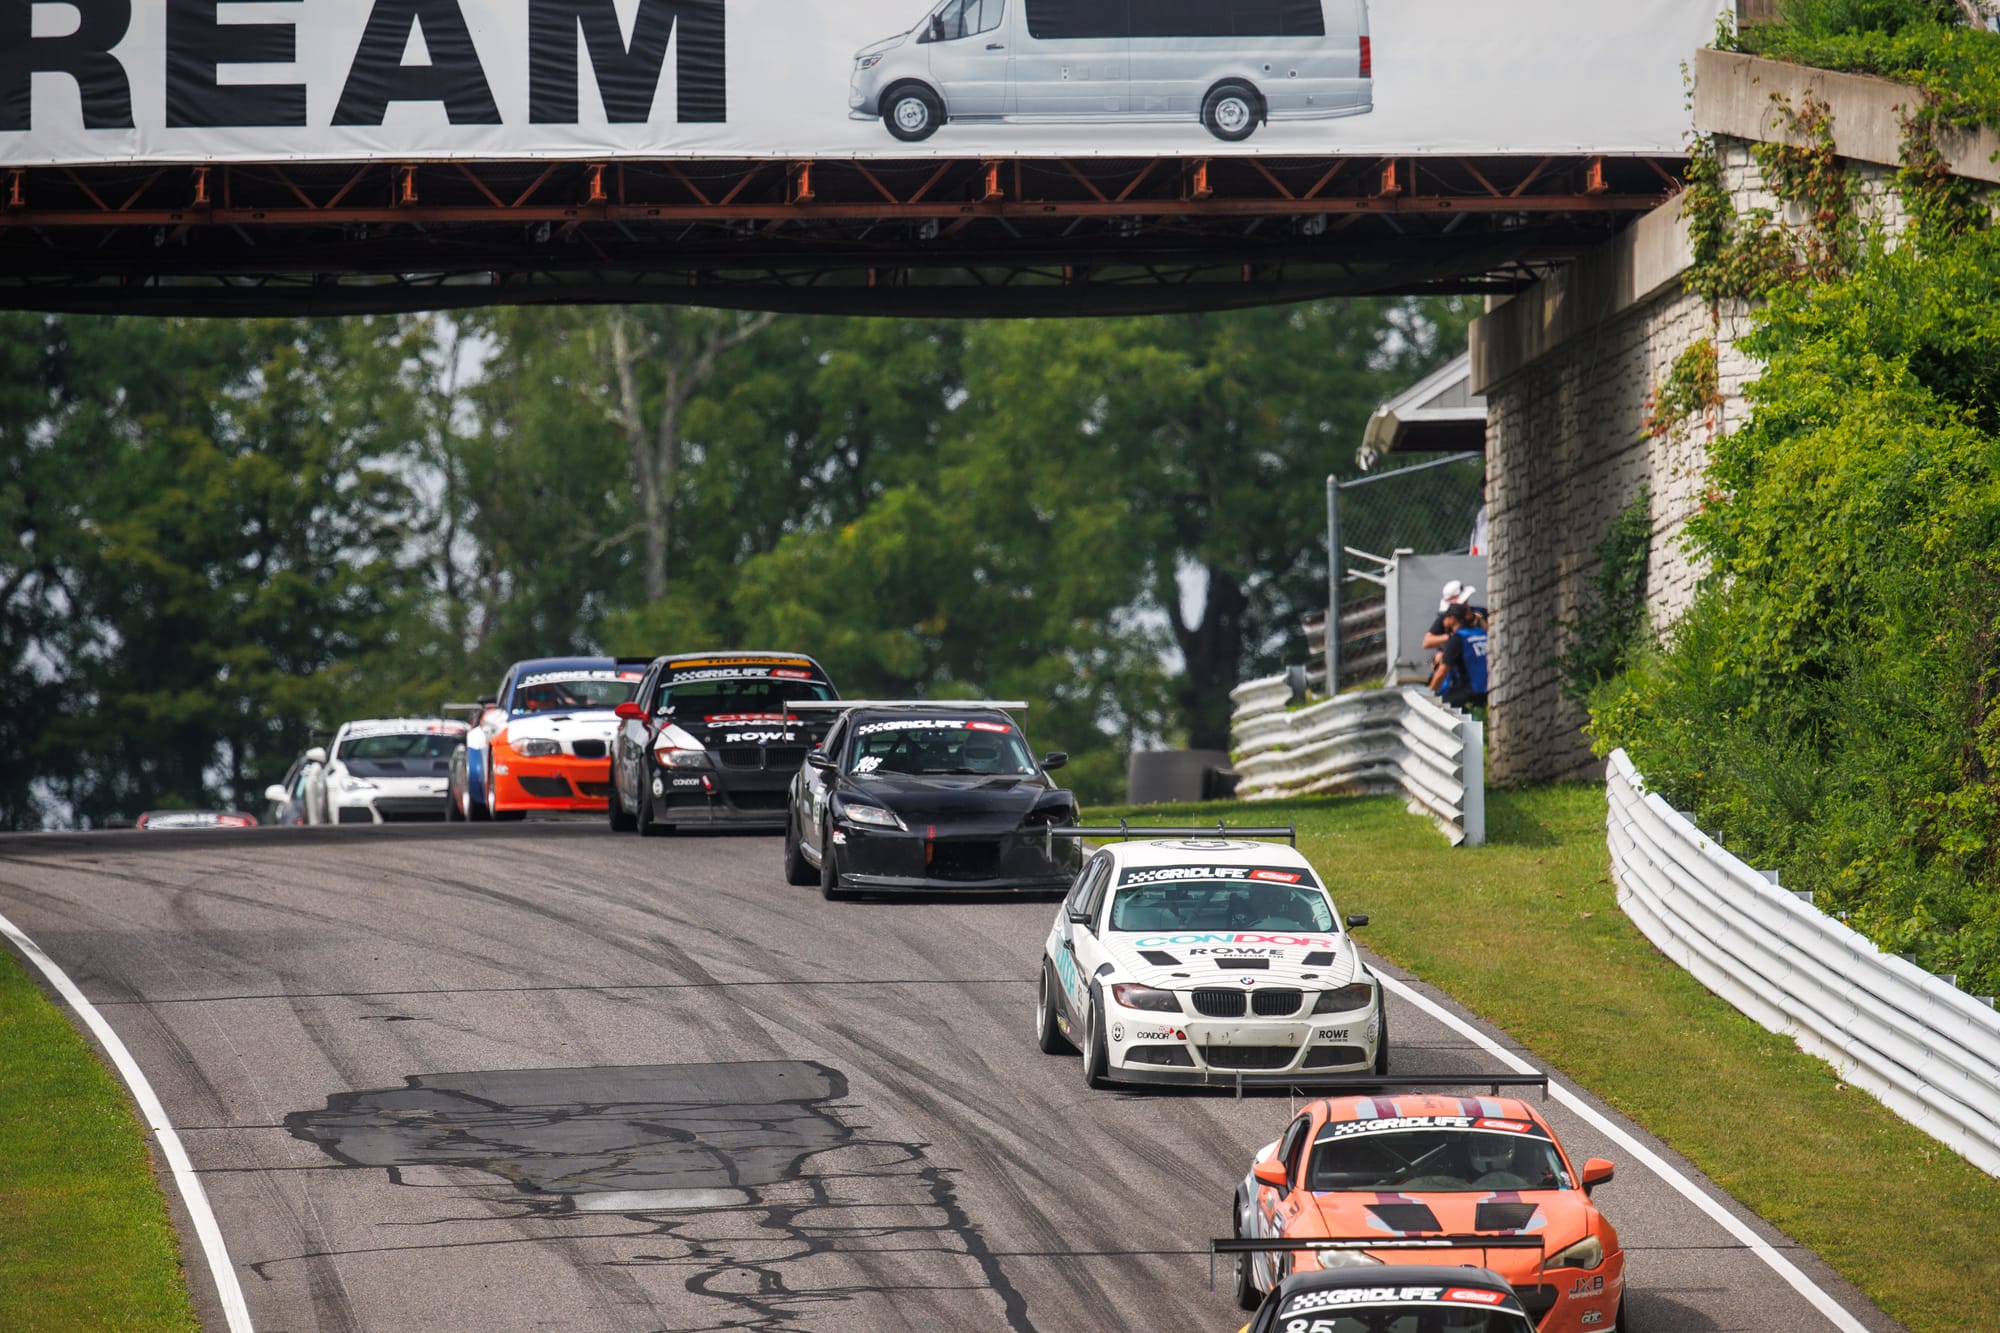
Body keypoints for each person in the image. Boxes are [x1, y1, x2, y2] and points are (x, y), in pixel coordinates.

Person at [1429, 602, 1488, 709]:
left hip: (1471, 692)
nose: (1443, 620)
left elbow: (1442, 671)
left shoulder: (1457, 639)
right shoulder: (1482, 633)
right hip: (1488, 690)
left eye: (1445, 617)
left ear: (1452, 619)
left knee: (1439, 707)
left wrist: (1429, 694)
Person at [1421, 580, 1487, 653]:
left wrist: (1478, 619)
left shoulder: (1479, 611)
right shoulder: (1447, 617)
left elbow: (1492, 634)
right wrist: (1452, 636)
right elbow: (1426, 643)